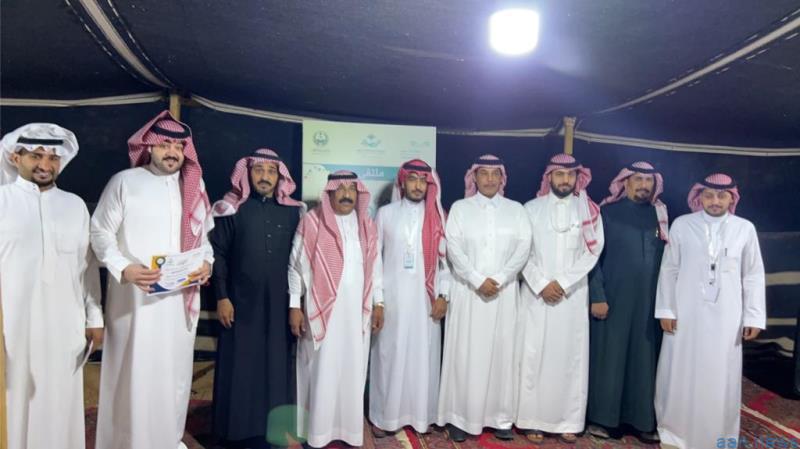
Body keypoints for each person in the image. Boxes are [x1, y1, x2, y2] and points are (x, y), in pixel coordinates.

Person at [91, 111, 214, 449]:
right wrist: (124, 268)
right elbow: (99, 233)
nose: (172, 152)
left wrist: (206, 263)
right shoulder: (124, 182)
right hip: (135, 301)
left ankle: (168, 440)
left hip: (178, 302)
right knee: (134, 373)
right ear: (149, 146)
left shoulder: (194, 188)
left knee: (173, 374)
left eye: (178, 146)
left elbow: (204, 240)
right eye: (165, 144)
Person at [0, 124, 102, 449]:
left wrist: (95, 318)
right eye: (36, 155)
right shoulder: (2, 201)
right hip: (13, 328)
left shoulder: (75, 205)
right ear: (15, 157)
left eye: (53, 157)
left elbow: (87, 268)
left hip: (65, 326)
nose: (45, 164)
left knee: (60, 403)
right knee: (13, 403)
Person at [654, 173, 766, 449]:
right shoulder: (682, 225)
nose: (715, 201)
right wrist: (666, 309)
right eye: (709, 195)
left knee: (721, 375)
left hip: (727, 316)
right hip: (686, 312)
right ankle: (674, 434)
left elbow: (753, 275)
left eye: (721, 196)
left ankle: (718, 437)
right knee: (680, 371)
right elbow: (669, 269)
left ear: (731, 198)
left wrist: (753, 316)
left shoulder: (744, 229)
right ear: (699, 197)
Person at [210, 149, 305, 448]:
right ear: (248, 174)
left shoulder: (293, 212)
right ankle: (236, 431)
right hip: (240, 304)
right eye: (259, 170)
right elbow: (218, 255)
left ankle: (277, 429)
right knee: (240, 365)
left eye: (271, 171)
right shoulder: (230, 209)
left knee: (277, 365)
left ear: (280, 177)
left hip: (279, 306)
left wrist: (296, 304)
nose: (265, 177)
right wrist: (222, 297)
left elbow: (300, 261)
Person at [437, 154, 531, 442]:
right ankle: (460, 417)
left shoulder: (516, 210)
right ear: (474, 178)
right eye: (484, 173)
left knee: (503, 354)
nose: (489, 179)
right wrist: (477, 279)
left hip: (504, 294)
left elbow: (524, 248)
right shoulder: (460, 208)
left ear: (502, 178)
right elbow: (453, 248)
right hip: (469, 293)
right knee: (466, 354)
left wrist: (500, 279)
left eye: (495, 174)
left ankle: (500, 418)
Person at [288, 171, 383, 448]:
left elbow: (376, 268)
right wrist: (294, 305)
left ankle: (349, 432)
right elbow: (295, 267)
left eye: (351, 189)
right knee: (321, 371)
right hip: (320, 312)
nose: (346, 194)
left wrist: (379, 302)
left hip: (356, 315)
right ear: (329, 192)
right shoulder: (312, 222)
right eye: (340, 189)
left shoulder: (366, 225)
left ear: (358, 193)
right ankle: (316, 433)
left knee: (353, 370)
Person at [515, 153, 604, 444]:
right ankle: (532, 420)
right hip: (536, 295)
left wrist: (563, 283)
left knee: (571, 358)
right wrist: (542, 284)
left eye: (570, 175)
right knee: (534, 355)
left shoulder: (589, 211)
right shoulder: (531, 208)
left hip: (572, 295)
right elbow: (521, 252)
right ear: (549, 177)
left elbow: (593, 252)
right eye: (560, 174)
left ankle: (569, 420)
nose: (565, 180)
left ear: (578, 178)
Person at [586, 161, 668, 442]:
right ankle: (602, 420)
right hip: (613, 300)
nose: (644, 185)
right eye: (638, 179)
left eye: (648, 180)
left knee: (644, 362)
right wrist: (597, 296)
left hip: (648, 303)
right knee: (610, 360)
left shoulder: (661, 216)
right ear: (625, 182)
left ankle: (642, 421)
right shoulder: (606, 213)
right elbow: (591, 258)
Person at [369, 159, 450, 436]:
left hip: (426, 301)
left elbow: (446, 264)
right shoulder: (385, 214)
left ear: (429, 185)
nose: (417, 185)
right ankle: (384, 417)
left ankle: (420, 417)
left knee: (422, 358)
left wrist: (444, 295)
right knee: (388, 357)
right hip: (391, 302)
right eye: (412, 179)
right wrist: (378, 301)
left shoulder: (438, 217)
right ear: (402, 182)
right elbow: (374, 261)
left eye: (422, 180)